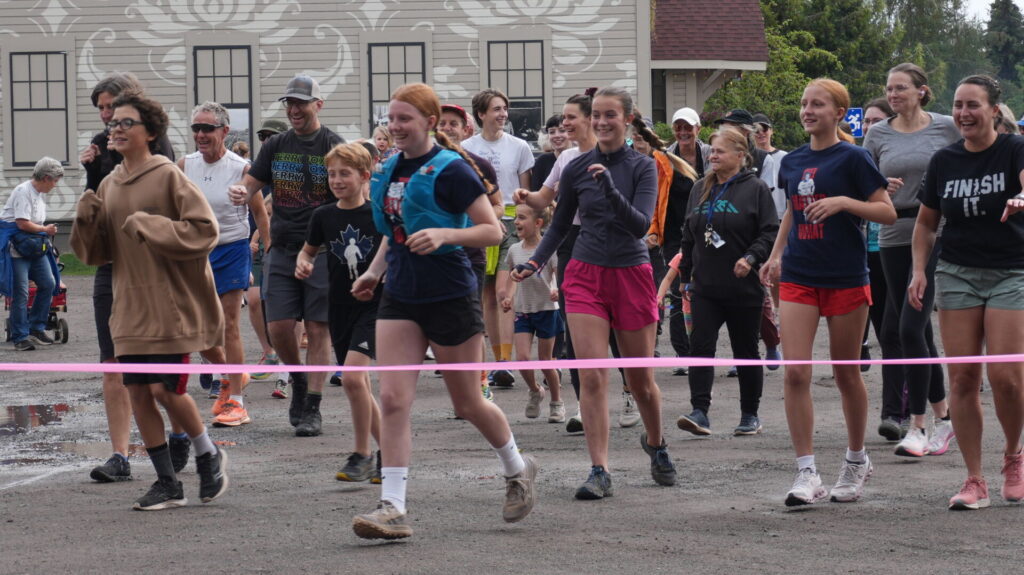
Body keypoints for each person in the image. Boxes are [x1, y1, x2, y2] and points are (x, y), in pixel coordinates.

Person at [349, 82, 537, 540]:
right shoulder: (387, 168)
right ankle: (392, 506)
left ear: (429, 122)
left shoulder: (453, 170)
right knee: (392, 399)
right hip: (401, 295)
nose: (395, 127)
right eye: (391, 118)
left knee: (467, 402)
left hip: (451, 293)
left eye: (405, 119)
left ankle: (517, 467)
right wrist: (374, 272)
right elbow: (391, 232)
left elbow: (493, 231)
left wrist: (445, 235)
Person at [513, 86, 677, 500]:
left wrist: (608, 190)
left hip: (631, 271)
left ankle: (656, 444)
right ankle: (599, 469)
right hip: (584, 272)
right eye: (597, 115)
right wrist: (535, 263)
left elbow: (640, 224)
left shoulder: (644, 167)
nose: (602, 122)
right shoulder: (575, 166)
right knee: (591, 373)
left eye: (611, 115)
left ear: (626, 119)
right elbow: (560, 223)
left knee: (639, 380)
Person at [70, 92, 228, 511]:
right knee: (138, 392)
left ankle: (207, 452)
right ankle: (166, 483)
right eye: (113, 124)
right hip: (129, 306)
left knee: (164, 389)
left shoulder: (168, 176)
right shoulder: (109, 182)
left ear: (151, 133)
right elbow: (96, 254)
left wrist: (152, 225)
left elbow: (203, 231)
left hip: (170, 305)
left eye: (126, 123)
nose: (115, 129)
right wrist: (86, 221)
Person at [759, 78, 895, 507]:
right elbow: (791, 215)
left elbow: (886, 211)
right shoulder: (792, 161)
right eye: (803, 104)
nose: (807, 110)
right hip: (799, 275)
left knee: (845, 373)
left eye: (817, 104)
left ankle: (856, 461)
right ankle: (806, 471)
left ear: (839, 112)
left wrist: (842, 202)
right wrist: (776, 254)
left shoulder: (853, 158)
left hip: (846, 278)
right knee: (795, 372)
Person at [909, 74, 1024, 510]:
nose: (963, 114)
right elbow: (925, 223)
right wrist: (918, 271)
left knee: (1007, 379)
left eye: (973, 105)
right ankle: (974, 479)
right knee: (962, 378)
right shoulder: (944, 160)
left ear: (995, 110)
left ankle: (1014, 455)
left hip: (1011, 270)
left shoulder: (1014, 149)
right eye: (958, 105)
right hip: (957, 272)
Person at [228, 75, 345, 437]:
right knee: (278, 326)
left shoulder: (333, 145)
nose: (293, 110)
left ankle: (312, 402)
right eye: (289, 104)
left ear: (318, 105)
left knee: (317, 328)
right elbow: (253, 183)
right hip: (282, 247)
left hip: (324, 251)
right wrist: (240, 190)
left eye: (301, 103)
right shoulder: (277, 145)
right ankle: (297, 378)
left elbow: (351, 188)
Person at [78, 72, 181, 483]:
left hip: (151, 268)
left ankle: (181, 433)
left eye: (110, 107)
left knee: (159, 371)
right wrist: (88, 171)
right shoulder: (101, 144)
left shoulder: (155, 146)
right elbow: (98, 209)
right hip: (110, 266)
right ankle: (119, 454)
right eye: (101, 110)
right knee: (112, 365)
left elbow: (170, 204)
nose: (106, 117)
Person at [863, 63, 960, 458]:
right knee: (918, 334)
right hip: (891, 234)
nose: (893, 94)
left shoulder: (945, 127)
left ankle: (918, 425)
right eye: (888, 88)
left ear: (922, 91)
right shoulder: (877, 133)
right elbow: (863, 181)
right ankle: (946, 420)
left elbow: (965, 163)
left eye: (900, 88)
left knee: (909, 328)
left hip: (937, 232)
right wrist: (879, 186)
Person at [674, 127, 779, 436]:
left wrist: (750, 258)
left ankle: (750, 414)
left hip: (743, 288)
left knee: (745, 351)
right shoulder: (700, 188)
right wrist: (684, 277)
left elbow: (770, 231)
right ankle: (700, 412)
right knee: (700, 347)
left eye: (720, 151)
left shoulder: (756, 188)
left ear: (740, 155)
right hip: (705, 287)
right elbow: (688, 235)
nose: (712, 155)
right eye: (712, 151)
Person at [295, 143, 383, 483]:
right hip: (340, 308)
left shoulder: (377, 215)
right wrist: (303, 264)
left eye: (344, 173)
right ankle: (387, 450)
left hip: (375, 307)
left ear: (364, 176)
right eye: (331, 174)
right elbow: (307, 252)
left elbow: (394, 255)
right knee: (356, 384)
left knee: (352, 377)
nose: (336, 180)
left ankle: (362, 454)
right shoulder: (324, 216)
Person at [179, 101, 270, 428]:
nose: (201, 134)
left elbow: (260, 212)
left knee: (229, 323)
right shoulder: (184, 165)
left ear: (225, 132)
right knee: (198, 327)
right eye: (196, 128)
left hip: (231, 247)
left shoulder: (241, 168)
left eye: (208, 128)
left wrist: (265, 247)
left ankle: (235, 401)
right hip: (194, 252)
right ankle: (234, 375)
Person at [514, 91, 596, 432]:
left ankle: (627, 393)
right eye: (562, 118)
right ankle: (583, 406)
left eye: (570, 117)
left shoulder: (616, 158)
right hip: (572, 242)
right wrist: (524, 196)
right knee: (576, 334)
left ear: (591, 119)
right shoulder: (565, 159)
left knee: (616, 337)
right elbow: (544, 200)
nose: (563, 124)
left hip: (609, 245)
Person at [462, 88, 535, 389]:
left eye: (504, 108)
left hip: (510, 220)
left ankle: (505, 362)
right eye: (496, 109)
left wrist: (523, 222)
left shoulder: (520, 147)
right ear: (481, 114)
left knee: (507, 291)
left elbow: (525, 194)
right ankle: (497, 362)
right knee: (488, 295)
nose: (503, 114)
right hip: (481, 221)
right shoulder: (465, 147)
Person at [437, 102, 503, 403]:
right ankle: (457, 381)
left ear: (466, 129)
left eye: (453, 123)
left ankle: (479, 382)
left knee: (471, 321)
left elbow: (499, 206)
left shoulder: (478, 165)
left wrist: (478, 217)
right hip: (431, 256)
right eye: (442, 123)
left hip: (469, 256)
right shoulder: (421, 164)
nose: (447, 128)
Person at [858, 97, 905, 440]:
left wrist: (887, 191)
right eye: (866, 122)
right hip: (864, 256)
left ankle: (896, 412)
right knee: (878, 334)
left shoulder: (899, 155)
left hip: (897, 250)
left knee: (893, 333)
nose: (869, 127)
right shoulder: (856, 161)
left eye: (876, 121)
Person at [500, 204, 564, 422]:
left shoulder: (550, 250)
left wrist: (557, 290)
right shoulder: (514, 250)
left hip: (546, 309)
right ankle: (535, 390)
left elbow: (557, 275)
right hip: (524, 309)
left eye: (522, 218)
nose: (516, 222)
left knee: (546, 361)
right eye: (516, 218)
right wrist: (508, 296)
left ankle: (557, 401)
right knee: (523, 359)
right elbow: (512, 277)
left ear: (538, 223)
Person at [0, 157, 62, 351]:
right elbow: (22, 223)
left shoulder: (37, 193)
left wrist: (44, 231)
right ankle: (20, 336)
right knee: (21, 292)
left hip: (33, 246)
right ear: (45, 178)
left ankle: (36, 327)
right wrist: (45, 230)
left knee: (48, 283)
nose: (55, 185)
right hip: (18, 247)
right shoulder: (23, 192)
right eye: (54, 181)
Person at [248, 118, 290, 389]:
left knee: (285, 309)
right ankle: (269, 353)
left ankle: (290, 365)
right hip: (255, 246)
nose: (266, 141)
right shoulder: (254, 171)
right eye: (263, 137)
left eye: (272, 137)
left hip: (285, 245)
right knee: (253, 300)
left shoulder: (290, 172)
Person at [531, 114, 571, 189]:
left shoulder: (580, 158)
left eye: (562, 131)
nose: (557, 135)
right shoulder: (543, 161)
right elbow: (536, 192)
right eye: (552, 132)